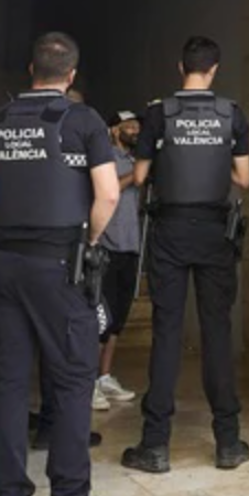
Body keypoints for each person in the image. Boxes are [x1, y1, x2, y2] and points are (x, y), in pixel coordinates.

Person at [0, 32, 126, 496]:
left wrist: (12, 189)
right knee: (73, 380)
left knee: (10, 387)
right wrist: (90, 239)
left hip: (6, 264)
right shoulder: (83, 120)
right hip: (59, 265)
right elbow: (109, 193)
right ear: (70, 75)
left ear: (31, 68)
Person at [121, 36, 249, 474]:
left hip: (170, 231)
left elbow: (139, 177)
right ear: (214, 70)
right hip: (215, 232)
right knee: (216, 331)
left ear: (182, 67)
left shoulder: (159, 113)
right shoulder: (231, 113)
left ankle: (155, 445)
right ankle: (229, 442)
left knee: (167, 332)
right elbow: (245, 178)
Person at [94, 110, 143, 408]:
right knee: (101, 318)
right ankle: (88, 382)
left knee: (118, 320)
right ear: (114, 130)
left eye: (137, 125)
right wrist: (134, 175)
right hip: (108, 247)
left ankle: (105, 376)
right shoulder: (106, 155)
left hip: (130, 246)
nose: (135, 130)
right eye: (129, 126)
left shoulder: (135, 159)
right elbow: (108, 188)